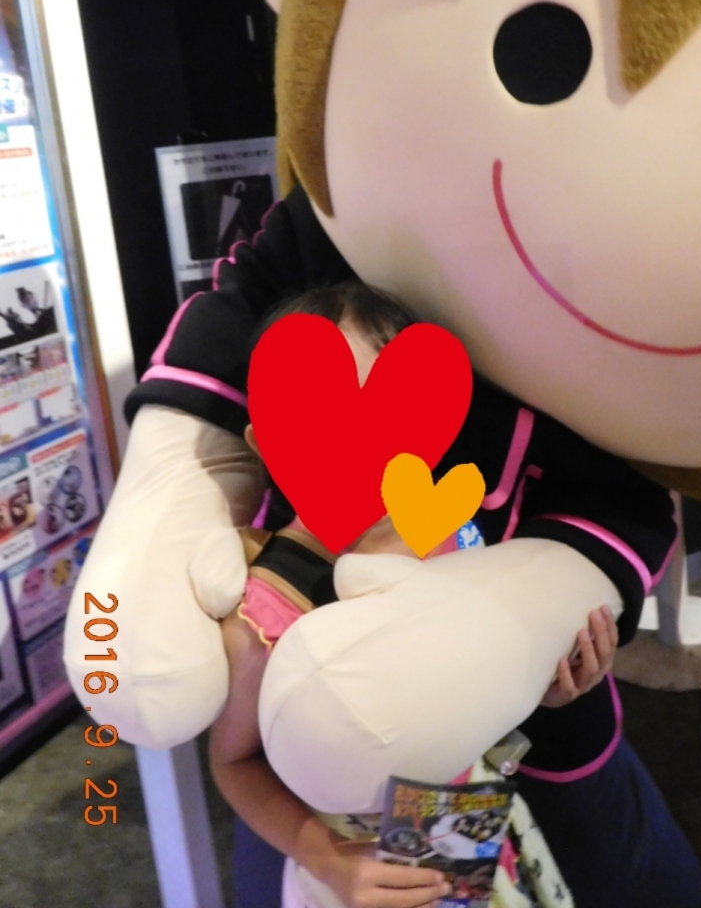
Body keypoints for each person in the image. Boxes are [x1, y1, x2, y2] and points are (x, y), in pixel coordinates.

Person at [209, 281, 618, 908]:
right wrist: (324, 857)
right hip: (354, 872)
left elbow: (479, 673)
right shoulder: (265, 611)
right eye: (322, 417)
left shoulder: (456, 538)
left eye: (386, 415)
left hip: (469, 833)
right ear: (269, 440)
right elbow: (233, 762)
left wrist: (546, 684)